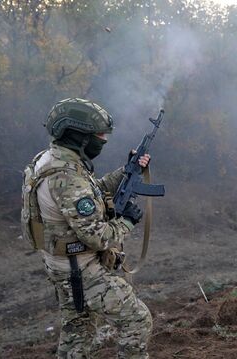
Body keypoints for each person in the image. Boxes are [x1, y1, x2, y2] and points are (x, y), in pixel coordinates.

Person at [21, 98, 152, 358]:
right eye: (98, 135)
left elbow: (93, 193)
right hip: (79, 269)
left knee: (78, 332)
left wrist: (127, 172)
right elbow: (98, 237)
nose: (103, 139)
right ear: (79, 137)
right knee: (137, 320)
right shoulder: (67, 177)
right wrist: (126, 222)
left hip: (62, 263)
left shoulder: (51, 160)